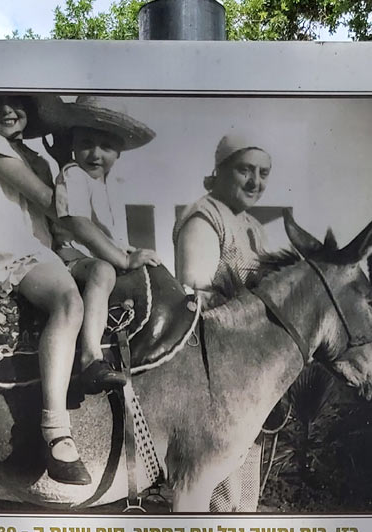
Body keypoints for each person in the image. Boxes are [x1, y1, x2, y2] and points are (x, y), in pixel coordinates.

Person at [0, 93, 92, 487]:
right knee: (68, 302)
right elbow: (51, 203)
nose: (9, 110)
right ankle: (56, 429)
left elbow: (60, 226)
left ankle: (93, 365)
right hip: (9, 252)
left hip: (40, 250)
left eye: (19, 103)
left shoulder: (37, 160)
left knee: (102, 281)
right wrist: (69, 163)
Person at [173, 133, 274, 511]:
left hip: (245, 368)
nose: (255, 182)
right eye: (245, 170)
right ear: (220, 170)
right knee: (218, 487)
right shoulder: (205, 216)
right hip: (214, 365)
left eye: (263, 173)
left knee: (244, 492)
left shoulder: (252, 226)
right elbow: (196, 294)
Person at [52, 96, 162, 384]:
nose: (95, 154)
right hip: (71, 257)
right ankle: (90, 356)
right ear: (73, 143)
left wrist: (130, 252)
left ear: (120, 152)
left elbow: (112, 234)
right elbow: (79, 223)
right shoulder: (74, 175)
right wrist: (123, 258)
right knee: (103, 271)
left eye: (107, 146)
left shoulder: (109, 184)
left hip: (95, 256)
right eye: (86, 143)